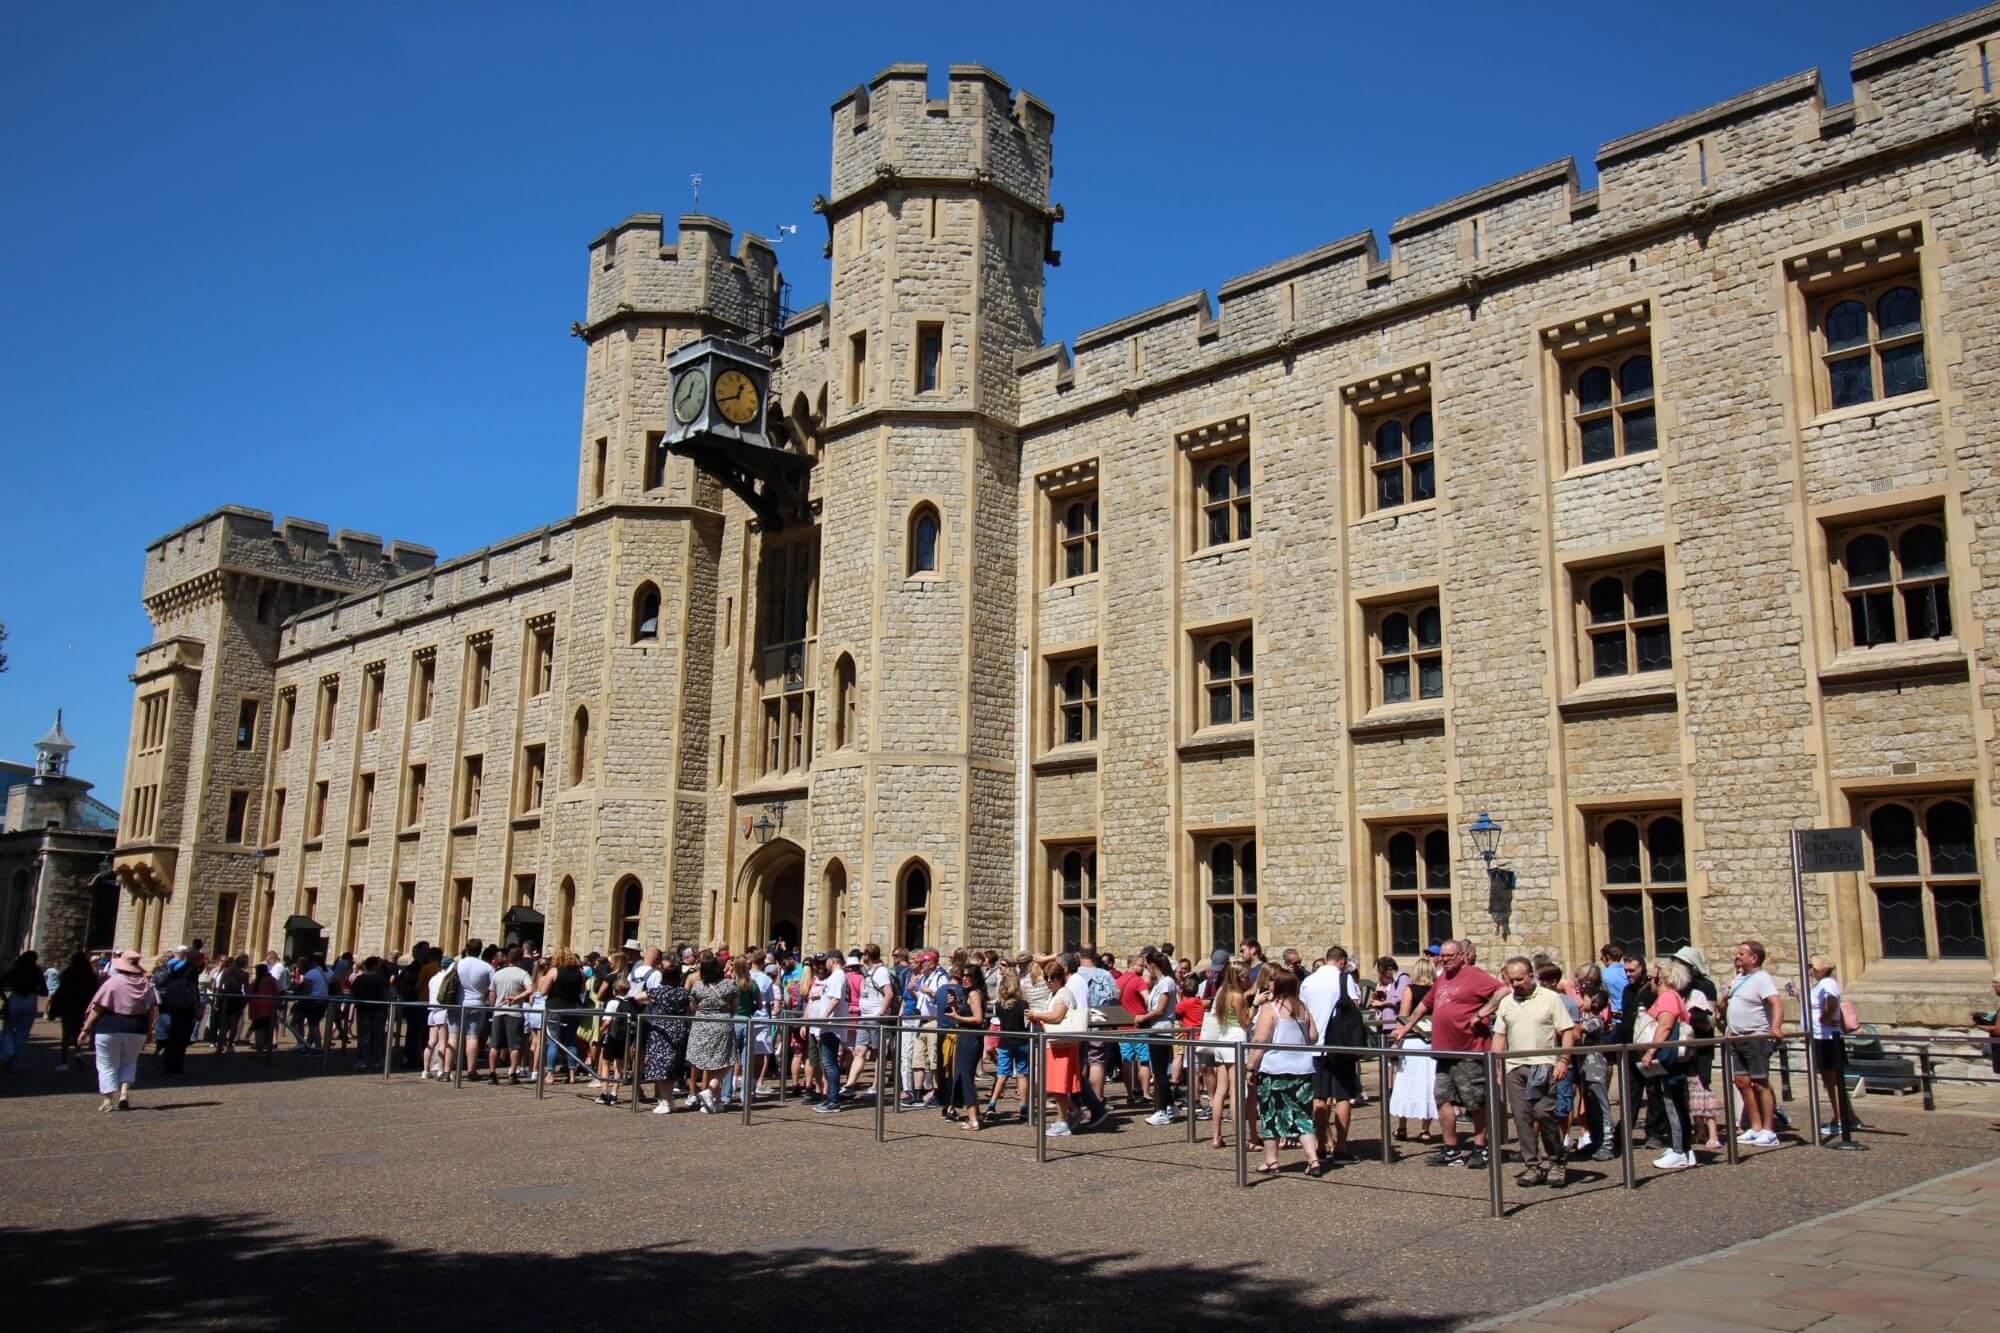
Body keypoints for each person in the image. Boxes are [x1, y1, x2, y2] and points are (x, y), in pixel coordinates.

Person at [1392, 938, 1503, 1170]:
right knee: (1442, 1098)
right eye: (1442, 956)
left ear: (1461, 956)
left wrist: (1482, 1012)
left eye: (1449, 956)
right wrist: (1406, 1027)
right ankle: (1451, 1149)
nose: (1444, 960)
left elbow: (1503, 989)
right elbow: (1425, 1004)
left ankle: (1481, 1147)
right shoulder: (1442, 977)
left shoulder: (1474, 975)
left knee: (1475, 1101)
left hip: (1469, 1051)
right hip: (1443, 1051)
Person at [1492, 956, 1577, 1187]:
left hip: (1543, 1066)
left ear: (1531, 976)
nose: (1516, 984)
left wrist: (1563, 1060)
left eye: (1520, 979)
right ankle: (1533, 1165)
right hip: (1515, 1067)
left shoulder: (1550, 998)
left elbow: (1567, 1030)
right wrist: (1497, 1066)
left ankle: (1557, 1160)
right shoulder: (1507, 1002)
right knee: (1522, 1119)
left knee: (1544, 1115)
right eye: (1512, 980)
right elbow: (1499, 1035)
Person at [1249, 965, 1323, 1176]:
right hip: (1302, 1068)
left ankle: (1271, 1160)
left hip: (1275, 1068)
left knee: (1270, 1114)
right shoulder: (1302, 1007)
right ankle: (1313, 1158)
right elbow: (1313, 1036)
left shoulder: (1270, 1008)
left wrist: (1250, 1066)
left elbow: (1260, 1040)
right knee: (1302, 1115)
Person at [1301, 946, 1365, 1162]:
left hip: (1314, 1045)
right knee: (1342, 1095)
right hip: (1339, 1045)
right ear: (1342, 961)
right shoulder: (1344, 979)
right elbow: (1355, 1009)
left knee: (1319, 1096)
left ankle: (1320, 1144)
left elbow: (1303, 1013)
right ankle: (1341, 1147)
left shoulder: (1308, 981)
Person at [79, 950, 158, 1112]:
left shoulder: (112, 983)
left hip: (110, 1026)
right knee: (129, 1061)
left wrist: (86, 1029)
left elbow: (98, 1008)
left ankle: (108, 1099)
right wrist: (150, 1031)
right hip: (136, 1028)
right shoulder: (147, 985)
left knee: (106, 1063)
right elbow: (151, 1010)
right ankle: (124, 1093)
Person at [1637, 959, 1697, 1169]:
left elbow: (1664, 1027)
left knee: (1673, 1103)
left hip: (1668, 1057)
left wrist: (1650, 1052)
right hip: (1674, 1058)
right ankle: (1683, 1149)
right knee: (1677, 1102)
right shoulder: (1676, 997)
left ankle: (1679, 1149)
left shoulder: (1667, 998)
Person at [1725, 939, 1783, 1147]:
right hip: (1737, 1037)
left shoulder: (1762, 978)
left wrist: (1776, 1027)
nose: (1738, 957)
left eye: (1742, 954)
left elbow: (1776, 1002)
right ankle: (1755, 1126)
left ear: (1754, 957)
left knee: (1760, 1082)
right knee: (1741, 1082)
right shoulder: (1740, 977)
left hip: (1755, 1037)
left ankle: (1769, 1129)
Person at [1806, 954, 1860, 1140]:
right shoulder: (1821, 985)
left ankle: (1842, 1118)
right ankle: (1847, 1116)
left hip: (1827, 1038)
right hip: (1822, 1037)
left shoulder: (1828, 983)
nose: (1810, 970)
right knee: (1832, 1081)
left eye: (1811, 965)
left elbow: (1831, 1001)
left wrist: (1826, 1016)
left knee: (1833, 1081)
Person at [1199, 962, 1248, 1148]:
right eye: (1244, 976)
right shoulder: (1237, 995)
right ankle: (1240, 1137)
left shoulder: (1221, 993)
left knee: (1220, 1091)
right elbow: (1245, 1021)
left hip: (1222, 1039)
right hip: (1236, 1039)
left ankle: (1216, 1136)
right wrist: (1254, 1005)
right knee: (1236, 1092)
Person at [1389, 957, 1438, 1143]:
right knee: (1428, 1083)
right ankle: (1425, 1129)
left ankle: (1402, 1127)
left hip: (1413, 1040)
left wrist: (1397, 1038)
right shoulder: (1436, 990)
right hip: (1431, 1041)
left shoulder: (1410, 990)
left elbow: (1403, 1017)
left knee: (1406, 1081)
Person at [944, 961, 988, 1130]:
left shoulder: (974, 994)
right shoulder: (969, 994)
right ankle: (975, 1115)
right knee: (966, 1078)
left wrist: (957, 1017)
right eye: (964, 975)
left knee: (965, 1079)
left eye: (969, 975)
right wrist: (955, 1007)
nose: (965, 978)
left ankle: (973, 1120)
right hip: (966, 1037)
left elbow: (978, 1019)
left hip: (970, 1038)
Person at [1139, 951, 1180, 1125]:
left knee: (1160, 1072)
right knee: (1159, 1070)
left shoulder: (1167, 982)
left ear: (1153, 965)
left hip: (1161, 1030)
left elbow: (1160, 1009)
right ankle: (1170, 1105)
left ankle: (1162, 1110)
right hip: (1155, 1029)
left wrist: (1143, 1018)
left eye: (1147, 965)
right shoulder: (1159, 983)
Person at [806, 952, 849, 1113]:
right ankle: (830, 1098)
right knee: (828, 1063)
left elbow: (835, 999)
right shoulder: (834, 977)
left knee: (830, 1064)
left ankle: (833, 1100)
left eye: (827, 961)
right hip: (827, 1026)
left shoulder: (838, 975)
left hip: (831, 1026)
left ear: (833, 961)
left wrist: (823, 1018)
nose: (825, 965)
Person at [539, 948, 588, 1084]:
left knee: (553, 1042)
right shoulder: (580, 972)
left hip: (555, 1008)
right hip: (573, 1008)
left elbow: (543, 991)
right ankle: (572, 1074)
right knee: (571, 1041)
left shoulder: (554, 971)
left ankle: (550, 1074)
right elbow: (583, 990)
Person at [989, 967, 1031, 1122]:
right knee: (1021, 1074)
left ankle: (992, 1104)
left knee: (1001, 1075)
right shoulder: (1023, 1005)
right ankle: (1023, 1106)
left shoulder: (999, 1006)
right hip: (1021, 1042)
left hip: (1005, 1043)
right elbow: (1027, 1024)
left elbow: (998, 1021)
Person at [486, 949, 532, 1084]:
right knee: (515, 1045)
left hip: (498, 1011)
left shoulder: (498, 974)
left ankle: (492, 1073)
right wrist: (517, 997)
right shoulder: (523, 974)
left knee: (495, 1045)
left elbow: (491, 995)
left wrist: (493, 1007)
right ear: (520, 960)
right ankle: (512, 1073)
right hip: (514, 1011)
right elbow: (530, 989)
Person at [50, 951, 99, 1071]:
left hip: (68, 1007)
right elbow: (95, 992)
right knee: (78, 1032)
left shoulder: (68, 973)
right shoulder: (90, 975)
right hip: (82, 1007)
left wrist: (53, 1010)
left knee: (66, 1035)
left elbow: (60, 992)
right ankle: (78, 1052)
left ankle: (64, 1062)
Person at [1, 951, 47, 1067]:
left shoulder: (15, 970)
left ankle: (9, 1051)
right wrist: (34, 990)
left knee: (7, 1029)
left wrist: (5, 1000)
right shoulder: (37, 971)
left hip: (15, 998)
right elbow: (44, 992)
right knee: (22, 1033)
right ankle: (15, 1064)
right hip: (31, 1000)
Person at [348, 956, 391, 1069]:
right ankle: (378, 1059)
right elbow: (388, 994)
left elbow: (352, 994)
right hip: (379, 1010)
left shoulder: (360, 979)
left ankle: (363, 1059)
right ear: (375, 966)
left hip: (364, 1010)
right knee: (378, 1035)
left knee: (363, 1036)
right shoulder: (381, 979)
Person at [246, 961, 280, 1058]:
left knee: (259, 1031)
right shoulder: (272, 980)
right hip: (270, 1008)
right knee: (269, 1030)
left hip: (257, 1009)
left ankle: (260, 1051)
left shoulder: (255, 982)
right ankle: (268, 1051)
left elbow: (249, 993)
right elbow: (277, 992)